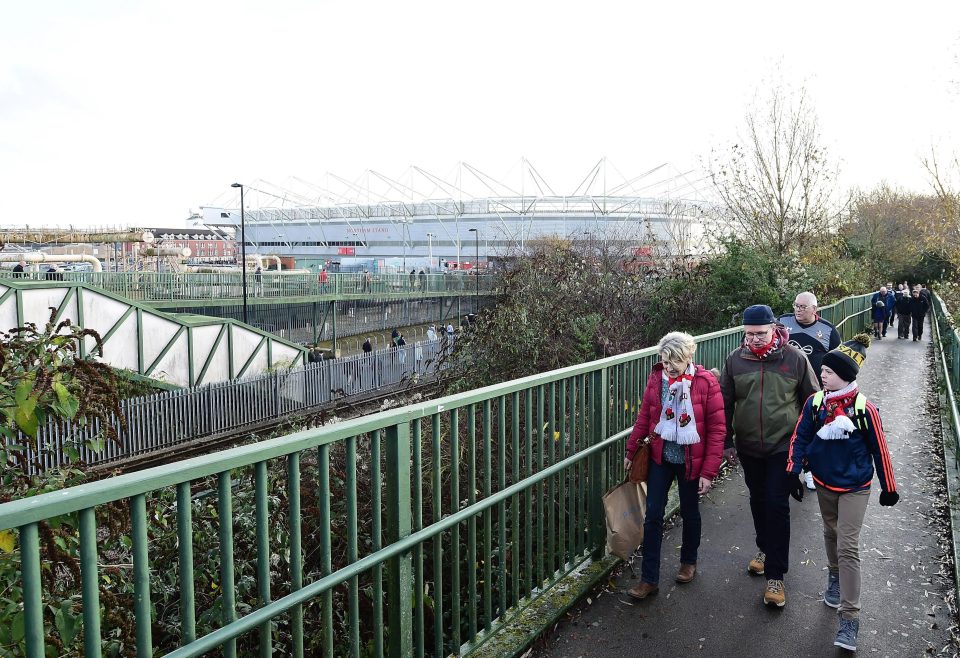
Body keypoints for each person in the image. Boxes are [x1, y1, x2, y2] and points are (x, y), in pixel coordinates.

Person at [786, 334, 898, 651]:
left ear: (846, 376)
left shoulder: (865, 410)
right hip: (824, 482)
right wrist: (793, 470)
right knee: (830, 532)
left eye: (830, 372)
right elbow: (801, 437)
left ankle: (850, 618)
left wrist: (889, 487)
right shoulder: (815, 403)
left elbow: (881, 451)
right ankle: (833, 576)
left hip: (855, 487)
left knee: (848, 545)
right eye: (822, 371)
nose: (823, 375)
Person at [719, 304, 819, 607]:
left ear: (774, 329)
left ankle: (776, 576)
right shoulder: (735, 360)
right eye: (749, 334)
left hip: (783, 447)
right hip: (749, 446)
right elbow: (724, 403)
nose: (754, 340)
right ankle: (764, 548)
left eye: (760, 334)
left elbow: (812, 403)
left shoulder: (795, 359)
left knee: (777, 505)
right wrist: (727, 441)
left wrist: (805, 451)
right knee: (757, 499)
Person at [623, 332, 725, 600]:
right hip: (661, 458)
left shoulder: (705, 382)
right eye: (665, 361)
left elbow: (716, 429)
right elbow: (645, 415)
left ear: (689, 356)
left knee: (690, 512)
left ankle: (688, 562)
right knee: (653, 515)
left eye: (674, 362)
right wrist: (632, 449)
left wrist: (708, 472)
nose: (669, 367)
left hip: (692, 461)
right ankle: (649, 579)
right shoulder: (658, 379)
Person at [777, 291, 841, 489]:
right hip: (785, 387)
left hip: (814, 390)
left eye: (803, 307)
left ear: (815, 309)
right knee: (788, 429)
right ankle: (787, 467)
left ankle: (810, 470)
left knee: (811, 429)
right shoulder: (782, 322)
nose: (797, 310)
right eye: (796, 305)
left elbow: (837, 361)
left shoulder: (828, 330)